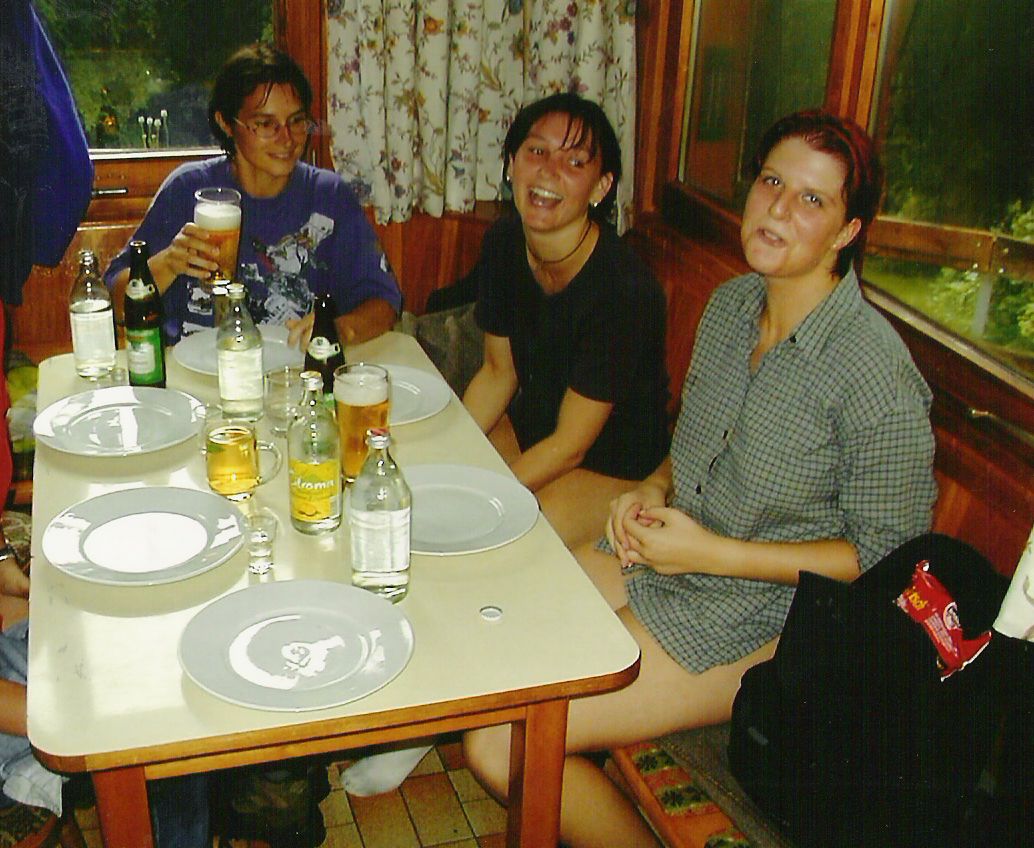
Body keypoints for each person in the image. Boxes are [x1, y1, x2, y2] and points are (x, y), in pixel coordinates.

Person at [462, 109, 938, 847]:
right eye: (772, 182)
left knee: (500, 742)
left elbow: (889, 560)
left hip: (771, 619)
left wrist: (714, 554)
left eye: (812, 199)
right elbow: (691, 450)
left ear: (846, 232)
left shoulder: (874, 372)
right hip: (676, 558)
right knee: (497, 638)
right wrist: (652, 489)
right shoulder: (733, 306)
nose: (778, 208)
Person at [463, 93, 670, 549]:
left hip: (613, 463)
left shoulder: (624, 289)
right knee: (438, 467)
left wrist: (484, 497)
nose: (549, 171)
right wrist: (447, 462)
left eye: (575, 162)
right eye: (536, 151)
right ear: (511, 165)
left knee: (513, 536)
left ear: (600, 188)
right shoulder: (504, 242)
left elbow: (572, 445)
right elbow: (498, 373)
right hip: (535, 432)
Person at [104, 43, 401, 349]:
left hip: (293, 370)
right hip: (192, 370)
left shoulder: (329, 196)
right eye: (265, 124)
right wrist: (168, 264)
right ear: (226, 123)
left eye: (296, 121)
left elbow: (384, 302)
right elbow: (116, 303)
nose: (286, 139)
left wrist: (339, 329)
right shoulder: (186, 190)